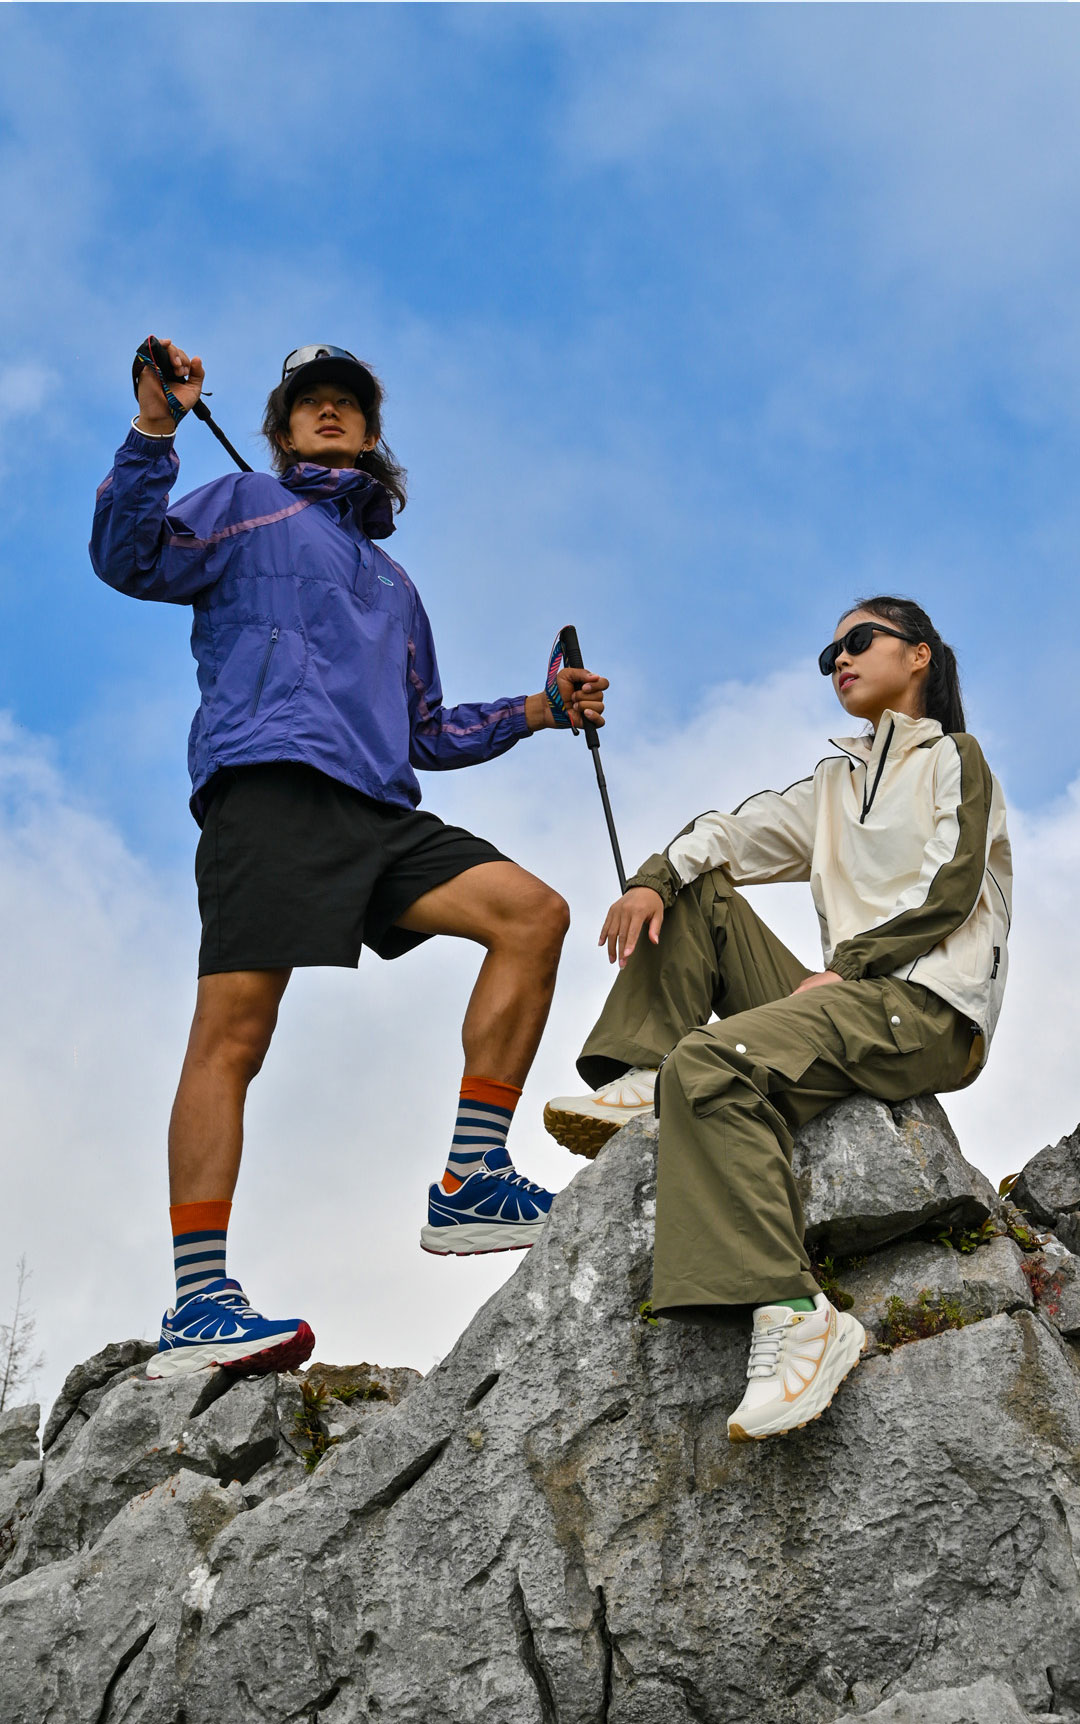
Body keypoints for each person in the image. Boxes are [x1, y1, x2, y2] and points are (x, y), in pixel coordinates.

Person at [92, 338, 608, 1380]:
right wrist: (154, 427)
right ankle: (199, 1301)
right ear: (282, 430)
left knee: (532, 912)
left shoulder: (394, 583)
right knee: (234, 1034)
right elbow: (130, 556)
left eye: (348, 403)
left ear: (371, 433)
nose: (329, 411)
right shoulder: (245, 501)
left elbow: (426, 729)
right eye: (309, 403)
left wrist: (539, 708)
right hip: (271, 784)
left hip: (378, 809)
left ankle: (471, 1178)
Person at [545, 598, 1010, 1442]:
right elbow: (728, 834)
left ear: (919, 655)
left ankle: (800, 1315)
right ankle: (645, 1071)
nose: (839, 660)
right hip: (846, 998)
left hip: (923, 1007)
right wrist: (652, 878)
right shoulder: (835, 783)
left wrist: (853, 966)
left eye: (858, 641)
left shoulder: (956, 759)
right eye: (828, 654)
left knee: (710, 1063)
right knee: (699, 890)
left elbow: (951, 886)